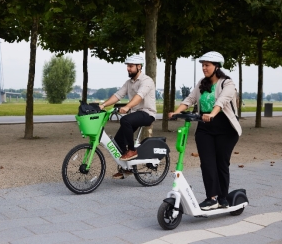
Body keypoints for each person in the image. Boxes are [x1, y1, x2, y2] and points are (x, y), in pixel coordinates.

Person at [168, 51, 242, 210]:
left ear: (217, 66)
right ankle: (212, 198)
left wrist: (212, 114)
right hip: (205, 127)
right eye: (202, 65)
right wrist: (177, 112)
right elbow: (190, 99)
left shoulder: (227, 83)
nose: (204, 68)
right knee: (207, 162)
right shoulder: (202, 83)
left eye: (207, 65)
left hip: (225, 127)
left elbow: (222, 101)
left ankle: (223, 197)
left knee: (221, 163)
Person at [99, 54, 157, 179]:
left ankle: (132, 150)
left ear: (139, 67)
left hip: (147, 113)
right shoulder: (129, 83)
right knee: (118, 140)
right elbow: (118, 95)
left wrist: (127, 107)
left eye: (131, 66)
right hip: (135, 114)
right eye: (127, 66)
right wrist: (103, 105)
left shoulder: (146, 81)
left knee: (125, 120)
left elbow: (139, 96)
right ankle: (127, 167)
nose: (128, 69)